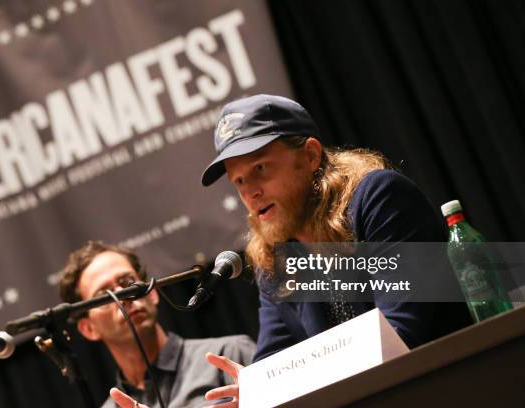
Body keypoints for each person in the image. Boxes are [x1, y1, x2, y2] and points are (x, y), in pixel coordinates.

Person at [199, 94, 472, 406]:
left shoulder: (378, 198)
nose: (251, 192)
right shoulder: (274, 258)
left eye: (260, 168)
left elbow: (400, 334)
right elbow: (272, 361)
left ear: (311, 156)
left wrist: (280, 385)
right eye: (239, 181)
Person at [58, 241, 256, 408]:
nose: (123, 296)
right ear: (89, 329)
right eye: (104, 296)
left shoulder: (230, 354)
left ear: (152, 293)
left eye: (128, 282)